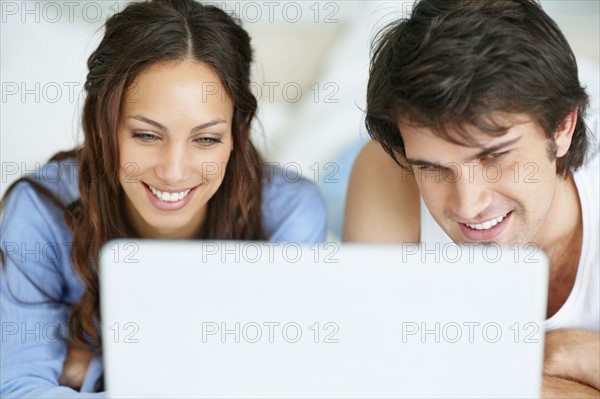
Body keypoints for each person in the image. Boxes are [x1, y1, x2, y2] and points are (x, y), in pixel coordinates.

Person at [0, 0, 327, 396]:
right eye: (147, 135)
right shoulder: (40, 210)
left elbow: (276, 384)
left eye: (206, 139)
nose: (173, 172)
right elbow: (19, 387)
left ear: (236, 137)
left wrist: (84, 366)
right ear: (103, 128)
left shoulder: (289, 212)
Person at [344, 0, 599, 397]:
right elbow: (373, 374)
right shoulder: (387, 174)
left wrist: (559, 357)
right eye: (432, 167)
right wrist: (555, 365)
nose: (467, 205)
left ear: (562, 127)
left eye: (494, 157)